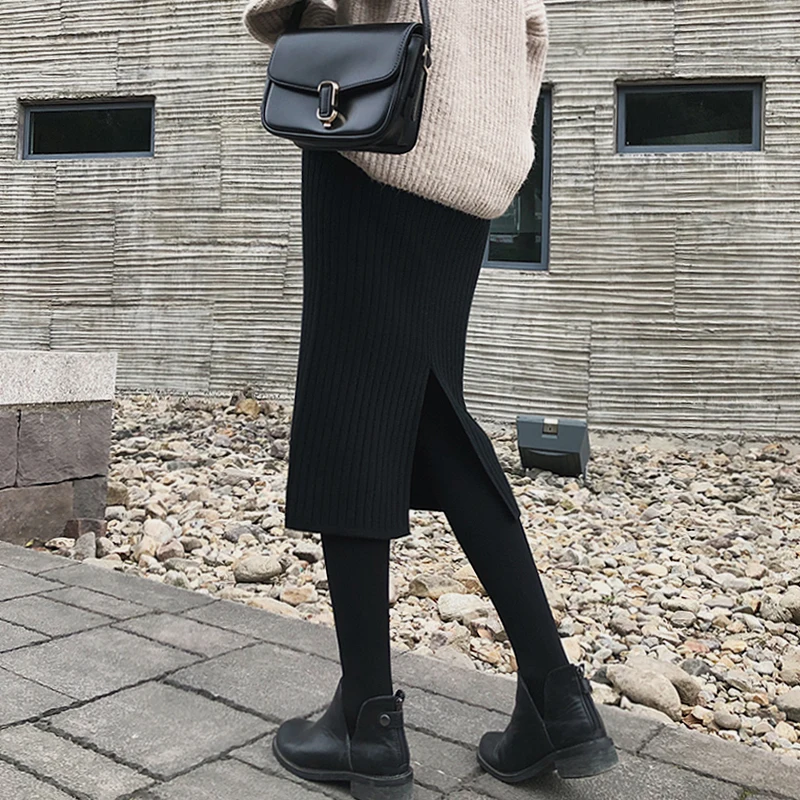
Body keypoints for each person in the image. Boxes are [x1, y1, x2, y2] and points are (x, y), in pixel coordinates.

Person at [242, 1, 619, 797]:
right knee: (428, 414)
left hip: (378, 132)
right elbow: (533, 31)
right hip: (470, 156)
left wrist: (289, 15)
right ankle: (557, 696)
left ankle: (367, 724)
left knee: (351, 414)